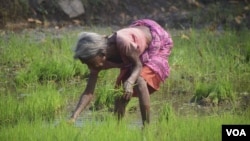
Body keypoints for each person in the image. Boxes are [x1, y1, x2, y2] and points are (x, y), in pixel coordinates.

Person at [69, 19, 173, 126]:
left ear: (102, 54)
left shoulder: (123, 43)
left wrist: (131, 81)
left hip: (156, 41)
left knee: (139, 80)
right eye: (86, 64)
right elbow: (88, 92)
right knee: (120, 91)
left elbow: (138, 65)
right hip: (133, 53)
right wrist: (73, 117)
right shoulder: (97, 61)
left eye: (90, 63)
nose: (90, 67)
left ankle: (146, 127)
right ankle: (117, 128)